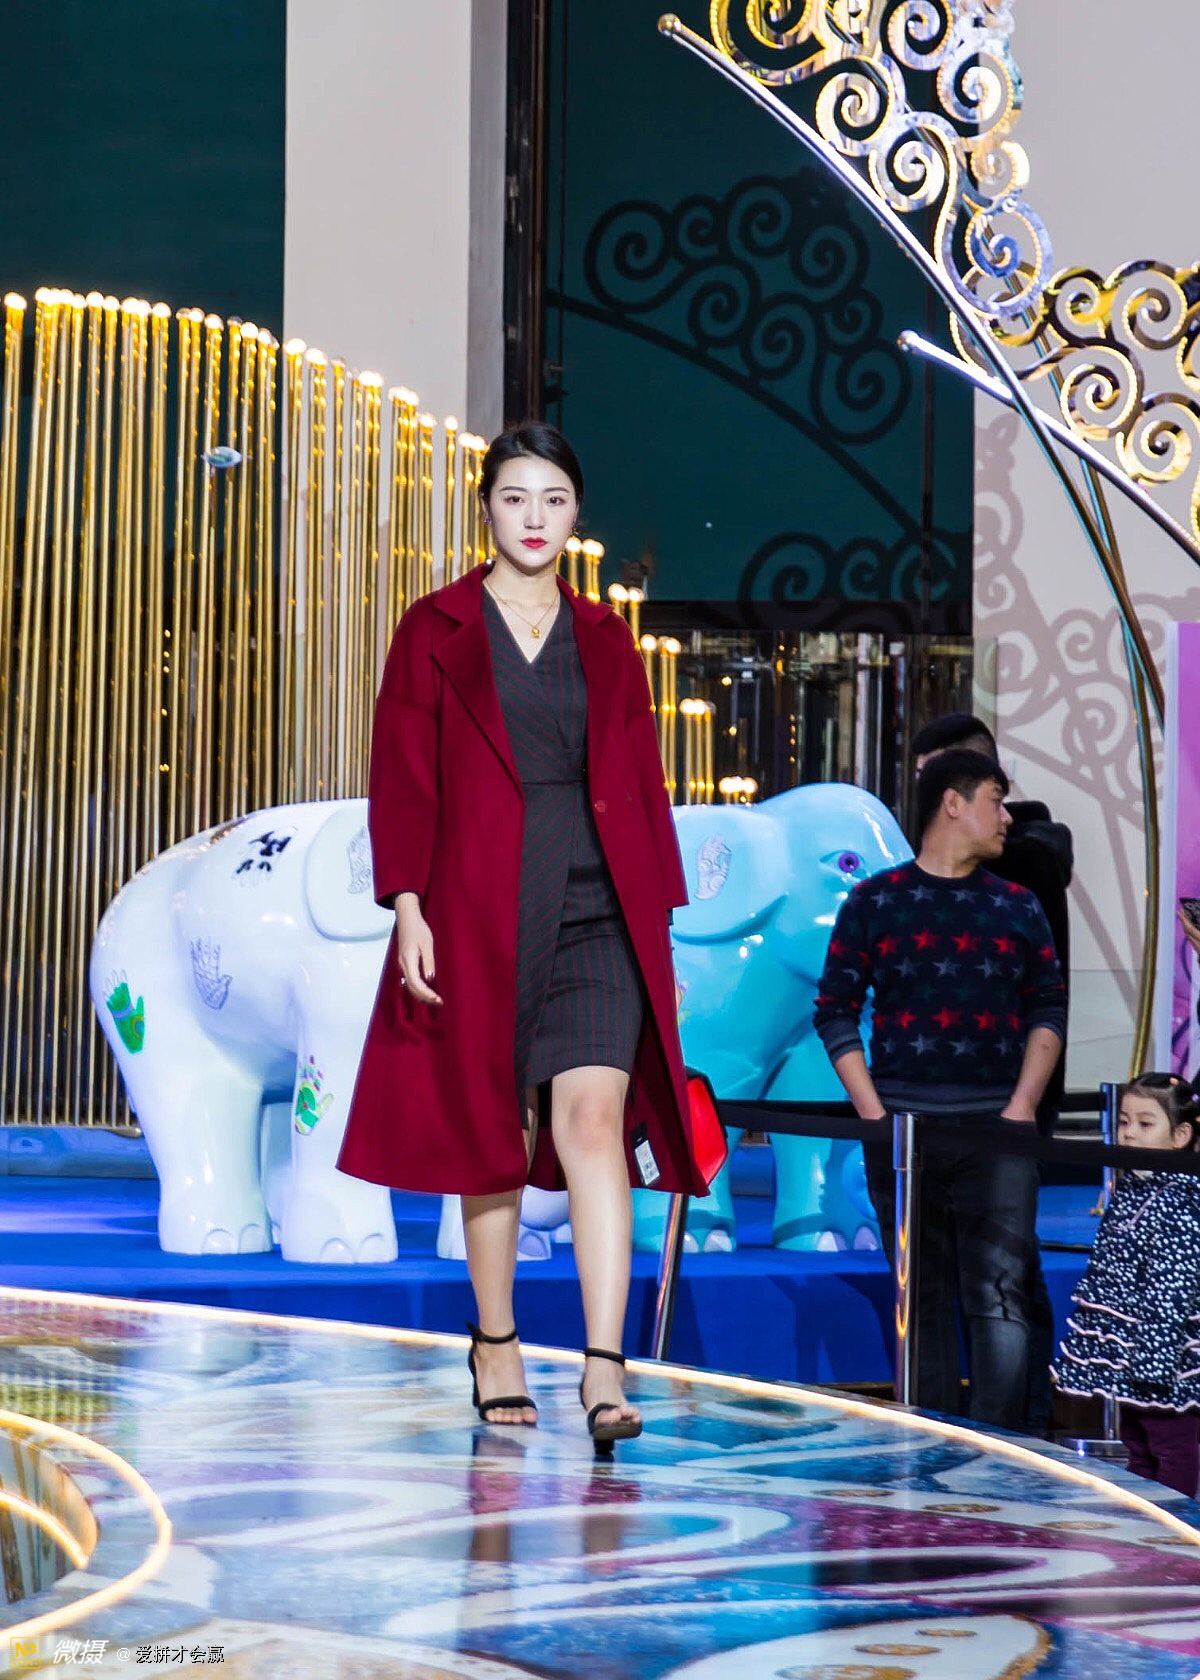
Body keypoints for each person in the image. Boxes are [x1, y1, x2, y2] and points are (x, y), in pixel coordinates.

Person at [338, 421, 709, 1450]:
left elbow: (641, 783)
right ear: (486, 509)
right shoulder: (434, 626)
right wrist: (408, 903)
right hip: (477, 904)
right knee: (491, 1132)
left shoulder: (606, 639)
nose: (534, 518)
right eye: (514, 498)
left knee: (594, 1122)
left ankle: (604, 1366)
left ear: (575, 512)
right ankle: (495, 1343)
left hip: (601, 907)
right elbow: (403, 773)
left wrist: (658, 930)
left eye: (553, 499)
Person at [813, 749, 1067, 1428]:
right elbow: (834, 1008)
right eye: (995, 799)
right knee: (919, 1301)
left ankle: (999, 1452)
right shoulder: (875, 900)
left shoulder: (1018, 905)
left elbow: (1049, 1007)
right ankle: (931, 1454)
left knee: (1000, 1299)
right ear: (952, 803)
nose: (1006, 817)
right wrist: (876, 1115)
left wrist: (1021, 1109)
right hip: (902, 1134)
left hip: (998, 1134)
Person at [910, 713, 1072, 1436]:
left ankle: (1023, 1423)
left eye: (937, 778)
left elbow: (1043, 1002)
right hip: (948, 1098)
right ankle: (966, 1420)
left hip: (1011, 1093)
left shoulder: (1022, 861)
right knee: (968, 1272)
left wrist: (1023, 1104)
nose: (927, 794)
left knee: (1009, 1273)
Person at [1052, 1073, 1200, 1497]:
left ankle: (1173, 1522)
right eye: (1123, 1122)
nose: (1129, 1133)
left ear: (1181, 1135)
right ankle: (1143, 1518)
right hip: (1130, 1349)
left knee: (1170, 1444)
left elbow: (1172, 1289)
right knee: (1137, 1444)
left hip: (1164, 1357)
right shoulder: (1135, 1185)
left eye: (1145, 1123)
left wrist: (1153, 1362)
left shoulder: (1181, 1200)